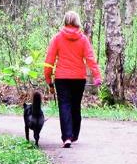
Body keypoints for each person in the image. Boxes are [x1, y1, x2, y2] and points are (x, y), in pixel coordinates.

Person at [42, 11, 102, 148]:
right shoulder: (83, 39)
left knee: (64, 105)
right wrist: (97, 76)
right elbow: (90, 59)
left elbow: (49, 61)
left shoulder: (57, 38)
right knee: (75, 105)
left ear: (65, 21)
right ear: (77, 22)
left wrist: (48, 78)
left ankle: (67, 137)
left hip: (61, 78)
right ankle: (74, 134)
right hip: (78, 78)